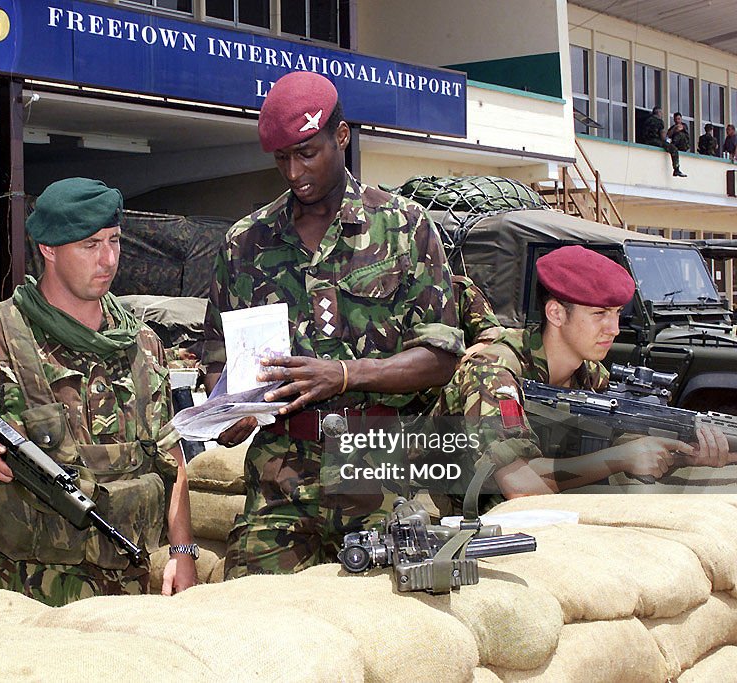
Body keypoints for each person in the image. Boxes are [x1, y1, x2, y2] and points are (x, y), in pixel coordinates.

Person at [203, 71, 464, 578]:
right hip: (282, 470)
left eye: (307, 153)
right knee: (248, 621)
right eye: (282, 158)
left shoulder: (405, 228)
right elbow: (218, 353)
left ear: (340, 137)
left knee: (385, 630)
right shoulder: (245, 243)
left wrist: (345, 375)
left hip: (379, 469)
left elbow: (440, 357)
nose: (295, 171)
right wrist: (227, 409)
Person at [0, 177, 196, 606]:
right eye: (89, 245)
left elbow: (170, 458)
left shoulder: (142, 345)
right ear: (48, 248)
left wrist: (183, 553)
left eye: (114, 240)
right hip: (24, 592)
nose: (108, 259)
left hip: (128, 588)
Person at [435, 245, 732, 502]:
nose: (613, 329)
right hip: (457, 516)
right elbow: (520, 483)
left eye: (617, 313)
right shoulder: (494, 371)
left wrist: (682, 453)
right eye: (599, 314)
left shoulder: (589, 372)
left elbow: (619, 445)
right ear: (556, 313)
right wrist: (622, 457)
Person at [641, 107, 686, 177]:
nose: (661, 114)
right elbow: (663, 136)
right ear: (658, 112)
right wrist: (667, 141)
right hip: (655, 141)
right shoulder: (659, 121)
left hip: (645, 141)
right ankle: (676, 169)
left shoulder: (647, 120)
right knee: (673, 149)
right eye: (661, 113)